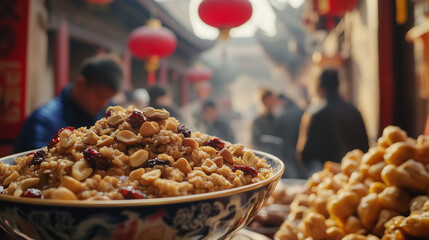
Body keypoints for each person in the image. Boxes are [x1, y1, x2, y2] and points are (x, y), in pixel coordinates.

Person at [14, 55, 123, 153]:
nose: (103, 104)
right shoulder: (44, 121)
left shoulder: (100, 114)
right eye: (100, 95)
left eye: (108, 98)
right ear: (81, 84)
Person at [296, 69, 369, 177]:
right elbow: (365, 147)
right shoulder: (354, 111)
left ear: (318, 87)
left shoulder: (314, 114)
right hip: (355, 177)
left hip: (327, 180)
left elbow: (303, 154)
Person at [277, 94, 305, 179]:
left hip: (288, 150)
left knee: (293, 176)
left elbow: (280, 134)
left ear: (282, 101)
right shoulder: (302, 111)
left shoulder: (283, 115)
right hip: (301, 147)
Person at [251, 89, 283, 159]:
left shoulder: (276, 119)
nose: (272, 103)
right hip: (263, 158)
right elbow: (255, 143)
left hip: (277, 157)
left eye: (273, 100)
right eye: (269, 100)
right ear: (263, 101)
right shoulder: (257, 121)